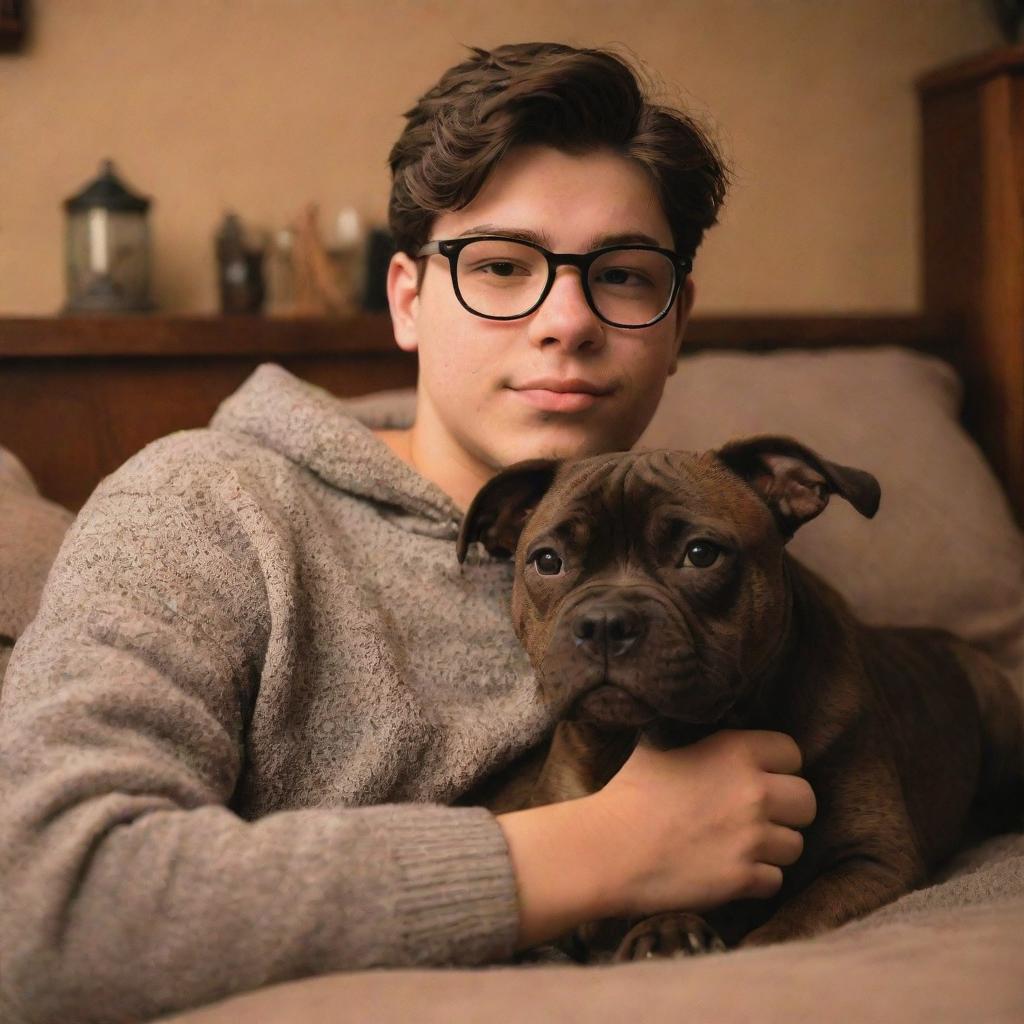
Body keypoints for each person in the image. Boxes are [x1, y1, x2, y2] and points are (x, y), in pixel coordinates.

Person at [0, 42, 816, 1024]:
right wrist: (600, 848)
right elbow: (42, 902)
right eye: (501, 266)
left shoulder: (713, 543)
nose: (566, 319)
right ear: (406, 301)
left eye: (624, 276)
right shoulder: (207, 504)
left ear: (677, 321)